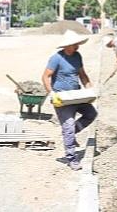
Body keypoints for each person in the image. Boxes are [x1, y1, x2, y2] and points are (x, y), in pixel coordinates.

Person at [42, 30, 97, 171]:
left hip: (76, 95)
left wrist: (89, 88)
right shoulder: (56, 58)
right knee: (68, 125)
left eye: (77, 44)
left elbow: (82, 75)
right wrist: (52, 93)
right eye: (74, 44)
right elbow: (45, 76)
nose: (77, 46)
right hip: (62, 98)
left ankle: (72, 133)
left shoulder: (77, 56)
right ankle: (71, 158)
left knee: (91, 114)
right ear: (67, 46)